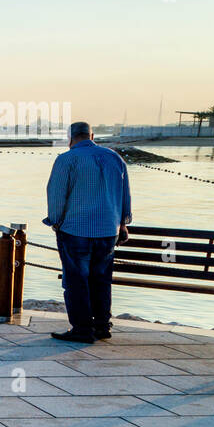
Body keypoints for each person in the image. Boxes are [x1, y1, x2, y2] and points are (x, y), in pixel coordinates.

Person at [42, 121, 132, 343]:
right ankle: (102, 326)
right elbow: (125, 195)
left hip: (76, 230)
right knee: (101, 279)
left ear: (70, 138)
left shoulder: (66, 159)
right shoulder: (115, 158)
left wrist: (55, 222)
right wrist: (123, 223)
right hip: (108, 231)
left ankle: (82, 329)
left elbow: (56, 196)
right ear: (92, 135)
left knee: (76, 280)